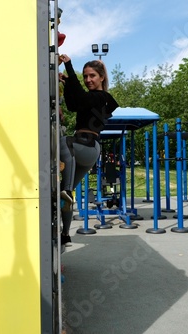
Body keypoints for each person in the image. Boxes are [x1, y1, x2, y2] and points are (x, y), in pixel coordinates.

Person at [58, 54, 119, 245]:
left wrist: (68, 66)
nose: (88, 80)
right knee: (64, 195)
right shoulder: (92, 98)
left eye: (92, 76)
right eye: (85, 77)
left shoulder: (103, 97)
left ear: (101, 77)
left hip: (85, 145)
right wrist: (68, 83)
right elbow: (73, 104)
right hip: (86, 150)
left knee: (61, 141)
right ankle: (66, 234)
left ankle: (66, 189)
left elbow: (83, 99)